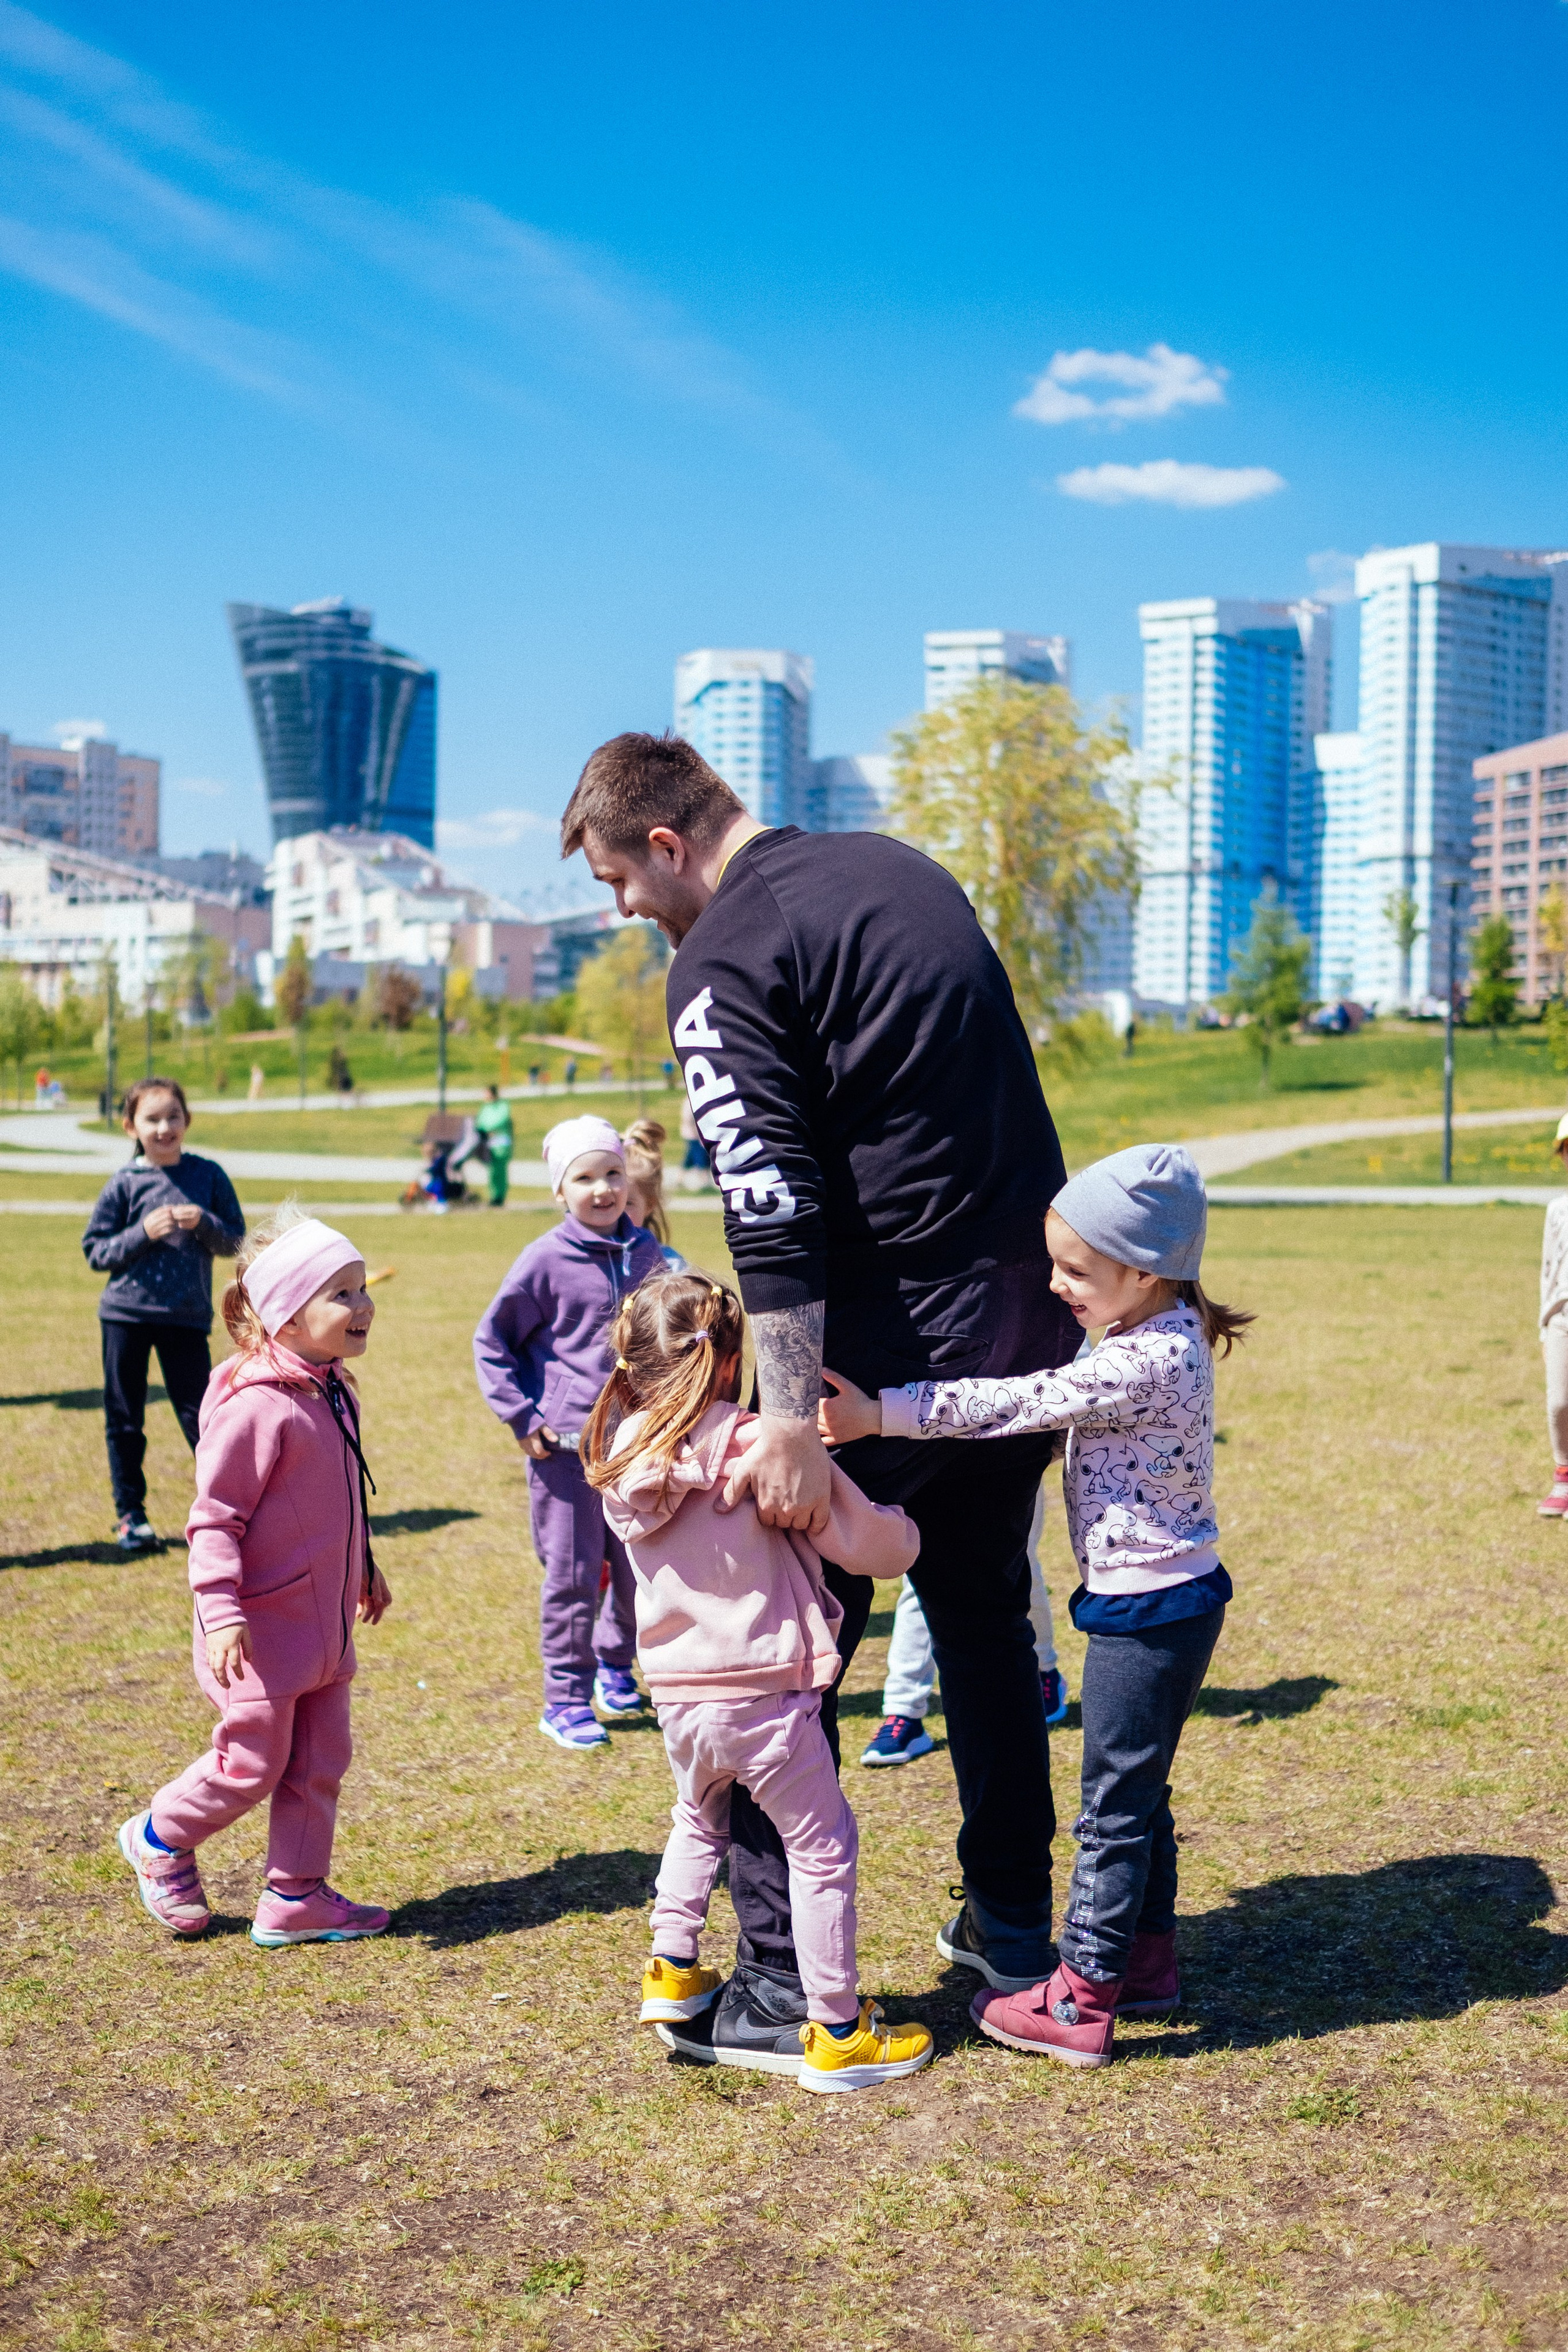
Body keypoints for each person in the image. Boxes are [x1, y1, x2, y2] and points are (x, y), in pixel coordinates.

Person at [561, 729, 1080, 2070]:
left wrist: (786, 1421)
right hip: (1020, 1327)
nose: (625, 913)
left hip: (874, 1361)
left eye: (621, 881)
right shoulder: (897, 870)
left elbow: (769, 1201)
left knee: (760, 1650)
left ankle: (771, 1993)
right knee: (979, 1625)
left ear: (667, 845)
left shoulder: (721, 954)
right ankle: (1012, 1928)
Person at [820, 1144, 1250, 2067]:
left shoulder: (1143, 1360)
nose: (1056, 1286)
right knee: (1141, 1794)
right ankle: (1145, 1959)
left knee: (1113, 1808)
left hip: (1153, 1605)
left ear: (1146, 1271)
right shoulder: (1155, 1332)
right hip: (1157, 1597)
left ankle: (1081, 1999)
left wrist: (880, 1414)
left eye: (1076, 1270)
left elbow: (1023, 1401)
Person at [587, 1271, 933, 2091]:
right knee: (822, 1848)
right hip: (768, 1692)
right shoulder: (756, 1445)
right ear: (734, 1360)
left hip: (677, 1697)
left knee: (695, 1818)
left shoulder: (621, 1460)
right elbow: (870, 1547)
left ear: (631, 1364)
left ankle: (671, 1971)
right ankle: (838, 2030)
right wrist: (907, 1531)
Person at [115, 1209, 393, 1948]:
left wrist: (364, 1565)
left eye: (362, 1287)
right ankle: (159, 1837)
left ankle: (296, 1895)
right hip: (257, 1632)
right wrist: (221, 1612)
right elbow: (215, 1521)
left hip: (324, 1630)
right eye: (342, 1294)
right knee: (251, 1764)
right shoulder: (254, 1407)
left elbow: (337, 1498)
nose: (364, 1305)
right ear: (287, 1315)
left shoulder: (336, 1388)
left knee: (320, 1761)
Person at [472, 1115, 665, 1748]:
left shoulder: (649, 1256)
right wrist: (523, 1418)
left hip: (638, 1447)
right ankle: (565, 1699)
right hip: (564, 1451)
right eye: (585, 1178)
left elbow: (669, 1345)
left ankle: (617, 1664)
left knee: (640, 1569)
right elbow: (492, 1342)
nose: (603, 1189)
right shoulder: (544, 1260)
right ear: (561, 1190)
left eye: (612, 1173)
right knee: (573, 1575)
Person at [81, 1077, 246, 1556]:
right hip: (125, 1317)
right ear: (130, 1126)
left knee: (205, 1419)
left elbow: (235, 1242)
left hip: (186, 1319)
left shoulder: (209, 1176)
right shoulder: (124, 1184)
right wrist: (142, 1233)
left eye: (173, 1116)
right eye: (152, 1119)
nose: (164, 1127)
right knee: (125, 1418)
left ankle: (229, 1513)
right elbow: (96, 1251)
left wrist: (205, 1222)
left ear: (187, 1120)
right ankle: (131, 1514)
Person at [862, 1488, 1068, 1766]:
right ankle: (904, 1710)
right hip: (926, 1449)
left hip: (1008, 1449)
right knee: (923, 1572)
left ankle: (1043, 1671)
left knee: (1013, 1561)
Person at [1537, 1112, 1568, 1517]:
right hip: (1561, 1319)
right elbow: (1548, 1271)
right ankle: (1564, 1477)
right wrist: (1543, 1329)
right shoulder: (1557, 1210)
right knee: (1560, 1403)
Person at [622, 1117, 688, 1271]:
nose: (618, 1211)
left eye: (628, 1203)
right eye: (612, 1201)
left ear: (649, 1205)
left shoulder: (670, 1265)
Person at [476, 1084, 514, 1208]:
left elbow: (502, 1120)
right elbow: (480, 1122)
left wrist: (489, 1128)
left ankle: (500, 1196)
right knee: (492, 1171)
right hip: (489, 1143)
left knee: (501, 1170)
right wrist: (483, 1130)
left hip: (501, 1142)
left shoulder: (503, 1106)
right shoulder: (485, 1108)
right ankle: (493, 1196)